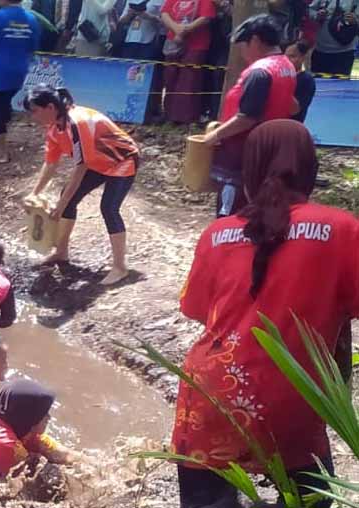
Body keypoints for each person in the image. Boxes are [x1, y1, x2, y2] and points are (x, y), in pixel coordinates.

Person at [174, 119, 359, 508]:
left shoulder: (217, 233)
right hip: (292, 395)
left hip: (213, 392)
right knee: (309, 498)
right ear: (310, 167)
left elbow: (195, 310)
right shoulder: (342, 229)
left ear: (250, 166)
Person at [22, 86, 140, 285]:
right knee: (66, 199)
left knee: (109, 208)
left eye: (35, 111)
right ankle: (61, 252)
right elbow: (51, 163)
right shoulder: (54, 128)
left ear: (50, 107)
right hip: (98, 162)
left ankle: (120, 267)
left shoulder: (78, 122)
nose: (33, 116)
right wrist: (34, 193)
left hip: (122, 160)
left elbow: (80, 167)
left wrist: (60, 207)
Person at [203, 15, 297, 217]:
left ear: (254, 40)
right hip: (270, 146)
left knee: (232, 207)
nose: (241, 53)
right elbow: (293, 106)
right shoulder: (286, 66)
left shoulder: (259, 72)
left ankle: (227, 242)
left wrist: (216, 135)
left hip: (244, 150)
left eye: (242, 46)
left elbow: (247, 117)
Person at [0, 0, 40, 164]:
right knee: (4, 103)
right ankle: (6, 120)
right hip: (20, 71)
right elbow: (32, 48)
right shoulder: (32, 19)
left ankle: (2, 153)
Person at [159, 0, 216, 123]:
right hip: (173, 41)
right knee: (170, 77)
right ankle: (168, 115)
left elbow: (206, 17)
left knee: (189, 80)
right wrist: (176, 29)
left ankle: (185, 118)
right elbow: (164, 13)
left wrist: (185, 30)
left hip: (196, 44)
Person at [117, 0, 165, 121]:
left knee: (143, 76)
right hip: (130, 40)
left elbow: (163, 22)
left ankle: (144, 110)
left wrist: (148, 16)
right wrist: (130, 13)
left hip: (148, 41)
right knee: (128, 75)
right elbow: (121, 21)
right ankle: (125, 107)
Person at [309, 0, 357, 76]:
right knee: (319, 85)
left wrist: (355, 20)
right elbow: (309, 10)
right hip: (320, 51)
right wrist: (317, 15)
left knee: (342, 86)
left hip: (344, 53)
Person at [285, 38, 316, 122]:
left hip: (292, 126)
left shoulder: (306, 80)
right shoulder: (276, 75)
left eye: (292, 56)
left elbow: (294, 111)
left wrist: (282, 85)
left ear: (303, 57)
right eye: (285, 57)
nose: (287, 60)